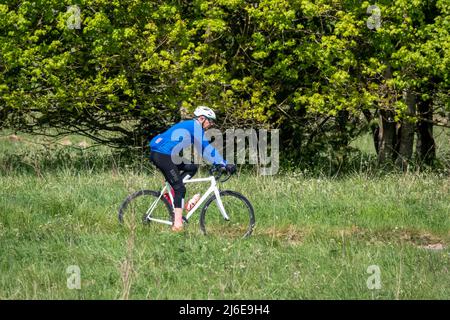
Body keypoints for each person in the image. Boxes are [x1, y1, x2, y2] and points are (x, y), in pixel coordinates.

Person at [149, 106, 236, 231]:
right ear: (201, 118)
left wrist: (217, 163)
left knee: (192, 168)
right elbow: (206, 148)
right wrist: (224, 163)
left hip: (163, 154)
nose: (211, 124)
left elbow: (202, 150)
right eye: (210, 121)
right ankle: (177, 225)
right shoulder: (194, 126)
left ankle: (172, 193)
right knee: (180, 189)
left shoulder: (191, 126)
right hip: (162, 155)